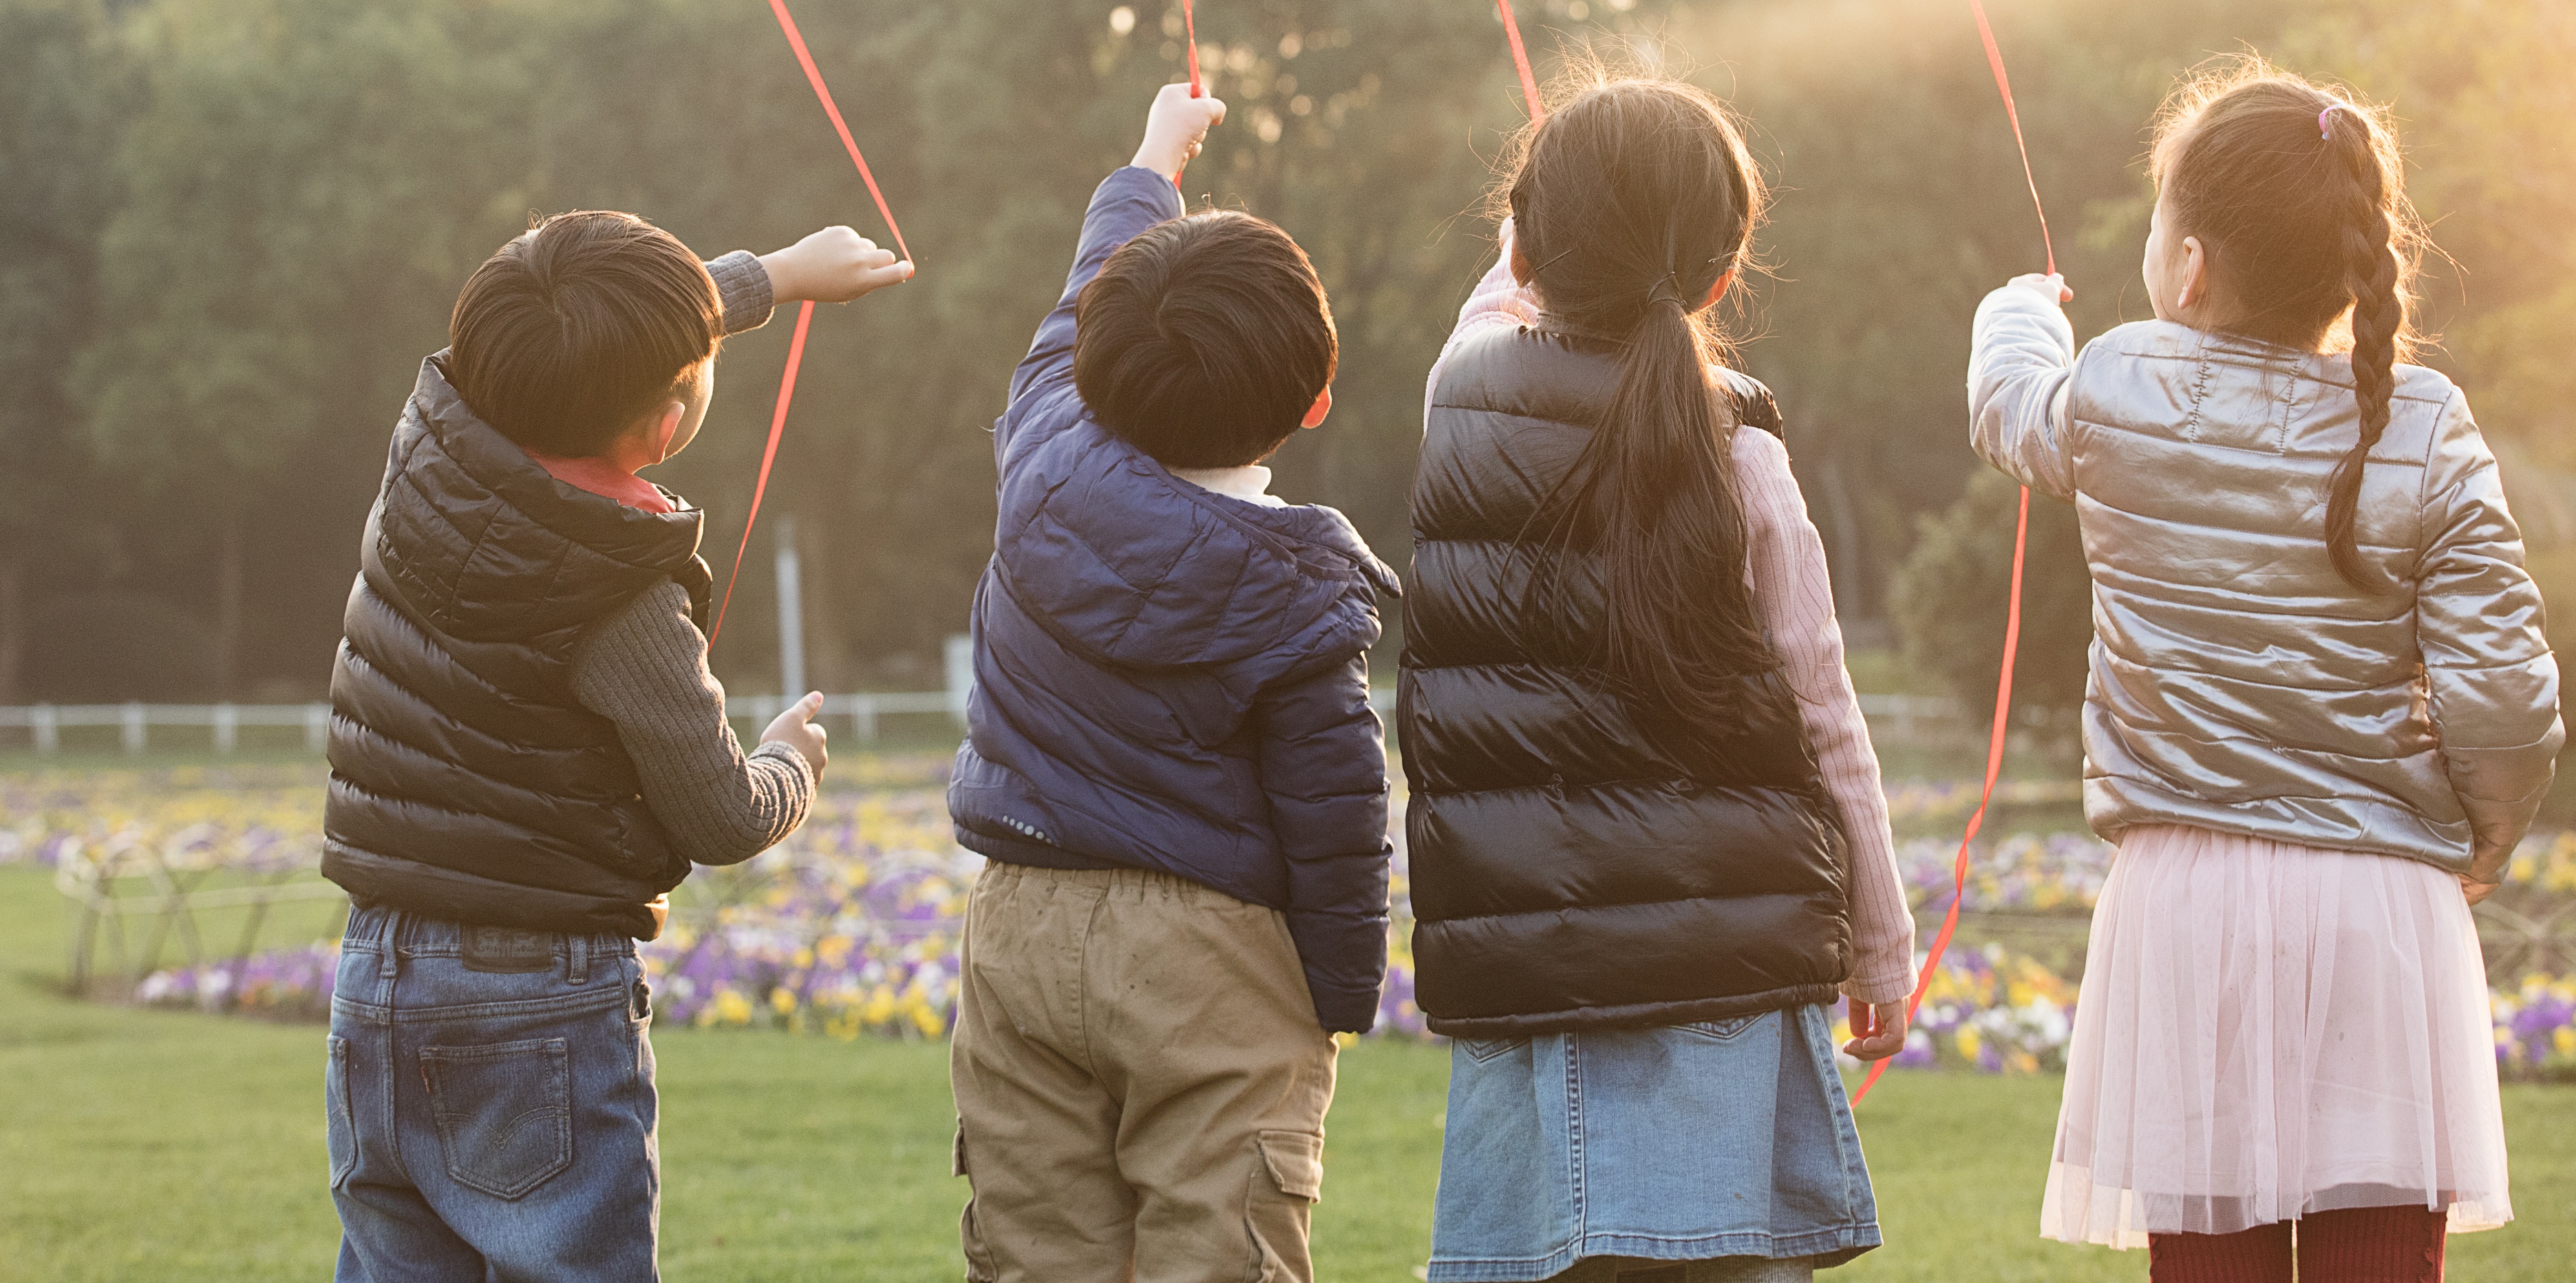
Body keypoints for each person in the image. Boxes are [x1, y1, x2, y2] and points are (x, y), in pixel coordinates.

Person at [1970, 61, 2562, 1282]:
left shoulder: (2117, 386)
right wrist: (2489, 835)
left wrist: (2020, 308)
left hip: (2187, 899)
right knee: (2377, 1253)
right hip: (2380, 905)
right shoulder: (2427, 421)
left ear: (2188, 266)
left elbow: (2005, 407)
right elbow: (2504, 688)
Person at [319, 209, 910, 1282]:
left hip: (376, 971)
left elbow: (579, 335)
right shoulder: (615, 590)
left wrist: (776, 275)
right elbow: (722, 815)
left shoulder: (430, 452)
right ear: (666, 416)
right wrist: (790, 766)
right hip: (532, 995)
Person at [1403, 72, 1916, 1283]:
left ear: (1522, 244)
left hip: (1533, 987)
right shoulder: (1738, 449)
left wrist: (1537, 227)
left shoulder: (1455, 395)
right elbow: (1822, 715)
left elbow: (1501, 294)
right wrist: (1879, 943)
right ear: (1721, 277)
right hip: (1726, 974)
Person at [945, 83, 1397, 1283]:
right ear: (1312, 402)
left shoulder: (1042, 437)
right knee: (1219, 1252)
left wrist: (1151, 159)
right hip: (1211, 957)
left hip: (1021, 919)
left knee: (1034, 1254)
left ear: (1091, 356)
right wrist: (1339, 991)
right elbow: (1336, 804)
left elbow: (1091, 276)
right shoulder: (1301, 593)